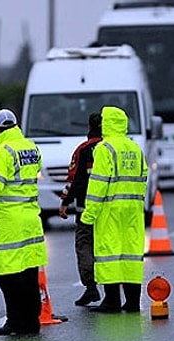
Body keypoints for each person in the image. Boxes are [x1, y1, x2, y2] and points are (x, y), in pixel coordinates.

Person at [0, 109, 48, 336]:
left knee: (9, 276)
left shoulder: (0, 152)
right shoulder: (31, 147)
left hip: (10, 222)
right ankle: (32, 322)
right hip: (31, 218)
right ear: (15, 124)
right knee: (30, 272)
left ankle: (15, 322)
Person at [81, 106, 148, 313]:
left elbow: (98, 184)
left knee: (110, 253)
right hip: (133, 210)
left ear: (107, 124)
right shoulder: (134, 148)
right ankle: (133, 301)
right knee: (131, 254)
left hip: (110, 210)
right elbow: (143, 176)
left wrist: (88, 214)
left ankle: (111, 300)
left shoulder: (104, 148)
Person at [59, 113, 103, 307]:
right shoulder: (112, 149)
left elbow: (74, 179)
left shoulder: (83, 150)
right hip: (110, 210)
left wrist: (64, 202)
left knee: (85, 246)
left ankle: (91, 288)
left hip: (86, 209)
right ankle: (114, 290)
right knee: (108, 248)